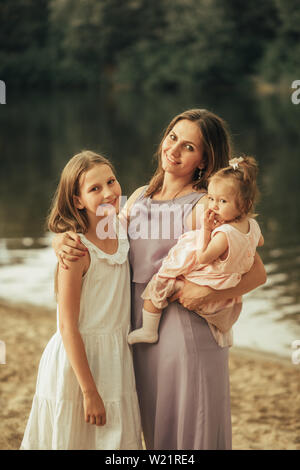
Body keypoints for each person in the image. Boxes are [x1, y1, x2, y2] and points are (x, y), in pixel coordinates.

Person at [53, 109, 266, 450]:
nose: (174, 150)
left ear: (204, 161)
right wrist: (62, 239)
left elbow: (256, 271)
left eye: (189, 147)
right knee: (156, 434)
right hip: (139, 331)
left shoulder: (204, 206)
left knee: (189, 434)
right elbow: (101, 241)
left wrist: (205, 291)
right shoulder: (138, 198)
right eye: (172, 138)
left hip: (184, 332)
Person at [20, 151, 142, 450]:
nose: (110, 192)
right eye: (95, 189)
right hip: (77, 362)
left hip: (115, 358)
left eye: (111, 181)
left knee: (115, 439)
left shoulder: (124, 230)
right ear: (76, 200)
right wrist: (89, 391)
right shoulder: (76, 250)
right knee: (73, 438)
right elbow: (67, 326)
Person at [127, 155, 264, 347]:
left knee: (161, 284)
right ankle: (223, 329)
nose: (213, 206)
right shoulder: (252, 226)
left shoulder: (217, 226)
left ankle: (149, 330)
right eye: (212, 198)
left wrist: (207, 230)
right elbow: (257, 241)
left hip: (204, 288)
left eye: (222, 201)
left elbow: (204, 257)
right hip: (224, 281)